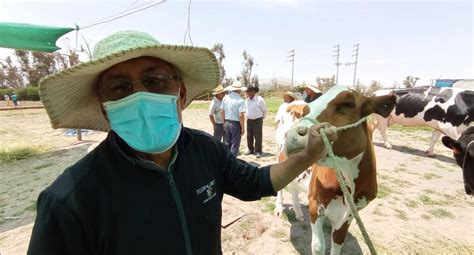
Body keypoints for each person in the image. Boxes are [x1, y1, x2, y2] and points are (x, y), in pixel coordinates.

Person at [27, 30, 337, 255]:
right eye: (119, 87)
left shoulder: (205, 150)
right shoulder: (69, 201)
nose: (140, 96)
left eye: (155, 81)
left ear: (182, 93)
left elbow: (256, 182)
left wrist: (309, 154)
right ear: (104, 106)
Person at [220, 82, 246, 156]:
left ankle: (226, 161)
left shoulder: (225, 98)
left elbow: (222, 111)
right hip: (235, 124)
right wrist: (243, 128)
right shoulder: (240, 100)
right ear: (239, 90)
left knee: (227, 143)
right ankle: (232, 163)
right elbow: (241, 115)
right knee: (235, 144)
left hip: (227, 122)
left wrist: (223, 122)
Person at [244, 86, 267, 158]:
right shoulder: (246, 100)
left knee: (258, 136)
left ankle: (258, 151)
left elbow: (264, 110)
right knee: (249, 136)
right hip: (249, 120)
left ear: (254, 92)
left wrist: (261, 118)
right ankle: (250, 149)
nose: (249, 93)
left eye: (250, 91)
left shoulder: (260, 100)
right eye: (247, 92)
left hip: (258, 120)